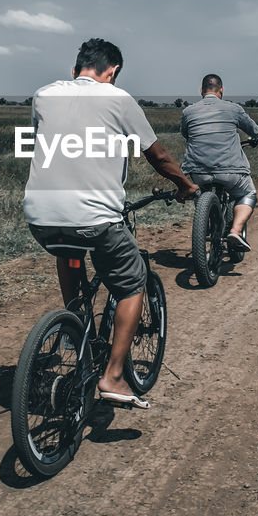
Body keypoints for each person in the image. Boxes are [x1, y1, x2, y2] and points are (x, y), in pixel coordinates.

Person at [23, 38, 199, 409]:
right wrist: (184, 184)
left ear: (75, 69)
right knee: (132, 282)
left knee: (70, 252)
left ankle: (75, 322)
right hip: (95, 218)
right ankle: (114, 376)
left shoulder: (43, 95)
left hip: (41, 216)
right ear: (112, 72)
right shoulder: (118, 99)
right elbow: (157, 154)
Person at [179, 74, 258, 252]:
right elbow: (254, 130)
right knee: (248, 193)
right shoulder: (234, 109)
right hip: (230, 171)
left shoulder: (188, 112)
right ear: (221, 90)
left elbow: (185, 133)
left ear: (201, 91)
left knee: (200, 192)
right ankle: (235, 231)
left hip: (198, 171)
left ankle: (205, 221)